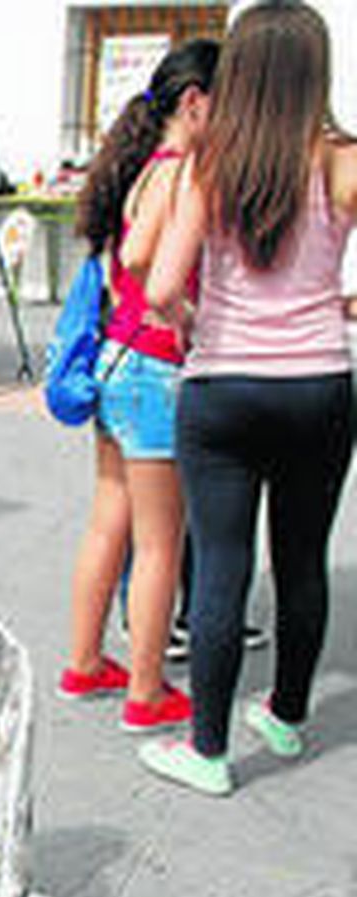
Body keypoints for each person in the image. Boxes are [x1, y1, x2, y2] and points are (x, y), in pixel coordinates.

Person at [141, 0, 357, 795]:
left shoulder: (211, 164)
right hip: (319, 387)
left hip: (223, 388)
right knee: (302, 560)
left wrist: (193, 322)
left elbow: (160, 286)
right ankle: (287, 716)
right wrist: (342, 305)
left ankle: (208, 752)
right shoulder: (345, 162)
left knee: (222, 568)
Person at [58, 39, 218, 734]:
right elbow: (142, 256)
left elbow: (125, 254)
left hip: (115, 365)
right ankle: (146, 693)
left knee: (108, 524)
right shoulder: (184, 172)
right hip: (154, 371)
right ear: (195, 102)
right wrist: (185, 315)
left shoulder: (145, 167)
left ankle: (84, 663)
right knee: (160, 544)